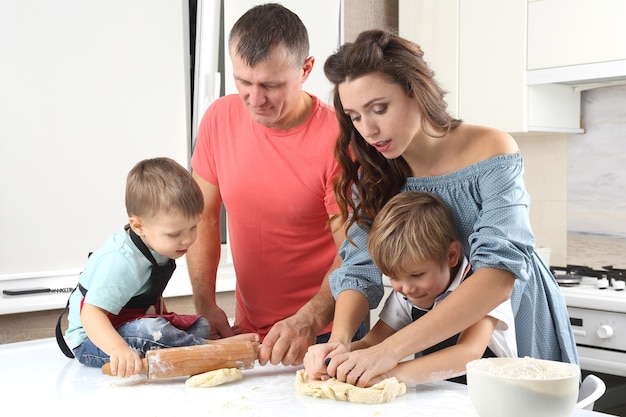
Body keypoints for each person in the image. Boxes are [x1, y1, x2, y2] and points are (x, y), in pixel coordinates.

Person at [304, 29, 578, 387]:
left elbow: (496, 275)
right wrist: (339, 341)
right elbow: (357, 268)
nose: (368, 130)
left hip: (509, 312)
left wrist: (390, 352)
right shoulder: (373, 173)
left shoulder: (490, 148)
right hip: (435, 328)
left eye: (379, 109)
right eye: (355, 117)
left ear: (416, 92)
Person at [187, 3, 362, 367]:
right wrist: (204, 302)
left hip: (326, 331)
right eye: (243, 82)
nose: (255, 99)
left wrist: (309, 319)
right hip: (248, 328)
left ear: (306, 69)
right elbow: (202, 217)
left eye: (271, 84)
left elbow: (352, 251)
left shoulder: (340, 140)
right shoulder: (219, 119)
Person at [63, 157, 257, 377]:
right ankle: (213, 349)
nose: (187, 240)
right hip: (94, 340)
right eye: (175, 234)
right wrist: (118, 350)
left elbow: (148, 296)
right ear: (139, 227)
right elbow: (91, 314)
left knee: (201, 325)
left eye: (193, 227)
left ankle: (201, 341)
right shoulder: (121, 262)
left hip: (130, 324)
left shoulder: (160, 246)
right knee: (151, 333)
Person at [305, 191, 517, 386]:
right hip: (440, 396)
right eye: (394, 277)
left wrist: (387, 376)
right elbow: (373, 342)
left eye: (417, 275)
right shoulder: (406, 295)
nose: (406, 288)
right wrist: (333, 359)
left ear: (451, 256)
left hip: (495, 397)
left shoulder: (481, 287)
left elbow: (467, 355)